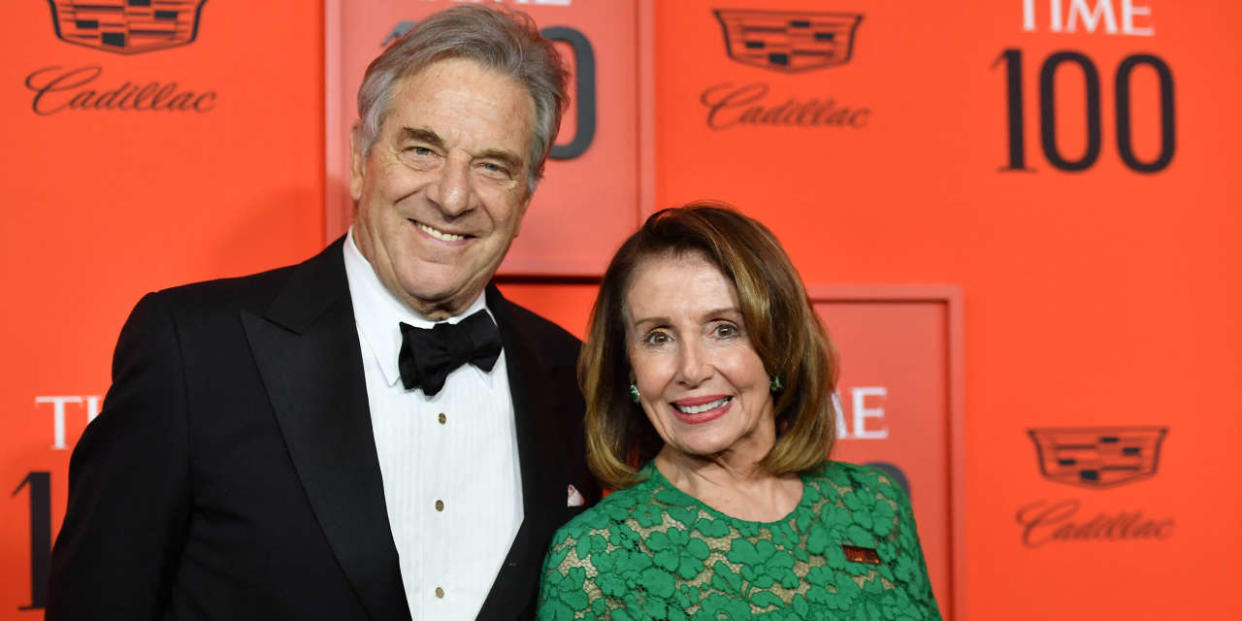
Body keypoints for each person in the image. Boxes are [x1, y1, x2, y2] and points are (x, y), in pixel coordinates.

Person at [47, 6, 599, 620]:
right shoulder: (195, 351)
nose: (451, 196)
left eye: (493, 166)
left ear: (526, 197)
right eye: (421, 150)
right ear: (362, 160)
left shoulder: (574, 380)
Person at [537, 205, 940, 620]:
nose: (691, 370)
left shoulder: (874, 504)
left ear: (779, 345)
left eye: (723, 329)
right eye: (658, 337)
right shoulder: (597, 556)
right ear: (630, 369)